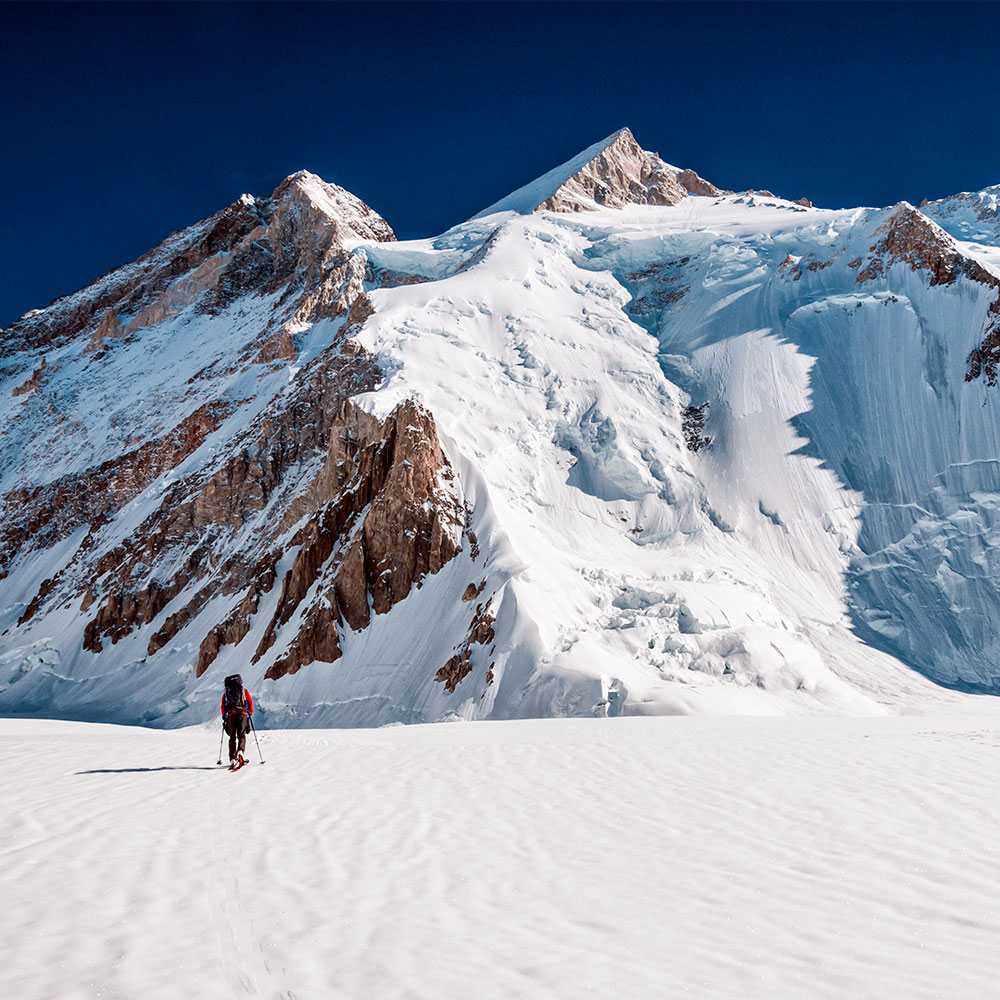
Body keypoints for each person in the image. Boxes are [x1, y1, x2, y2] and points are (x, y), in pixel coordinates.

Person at [221, 673, 254, 766]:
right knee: (241, 735)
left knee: (232, 738)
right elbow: (250, 702)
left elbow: (223, 706)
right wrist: (249, 713)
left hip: (231, 716)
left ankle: (232, 758)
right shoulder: (243, 691)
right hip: (242, 714)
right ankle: (240, 751)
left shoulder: (226, 693)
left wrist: (224, 716)